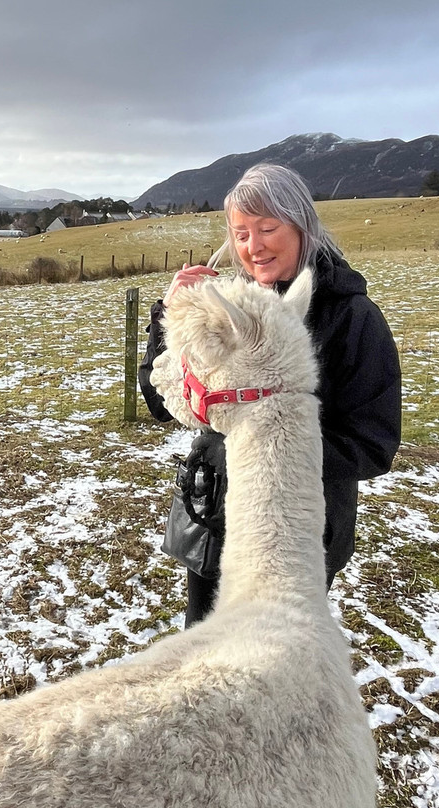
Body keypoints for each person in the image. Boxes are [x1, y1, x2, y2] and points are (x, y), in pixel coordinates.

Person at [140, 163, 401, 628]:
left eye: (267, 228)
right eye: (240, 233)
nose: (252, 247)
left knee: (271, 658)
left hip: (292, 536)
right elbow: (163, 403)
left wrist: (261, 450)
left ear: (301, 225)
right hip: (213, 517)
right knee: (203, 652)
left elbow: (372, 444)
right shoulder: (226, 308)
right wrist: (170, 317)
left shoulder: (352, 319)